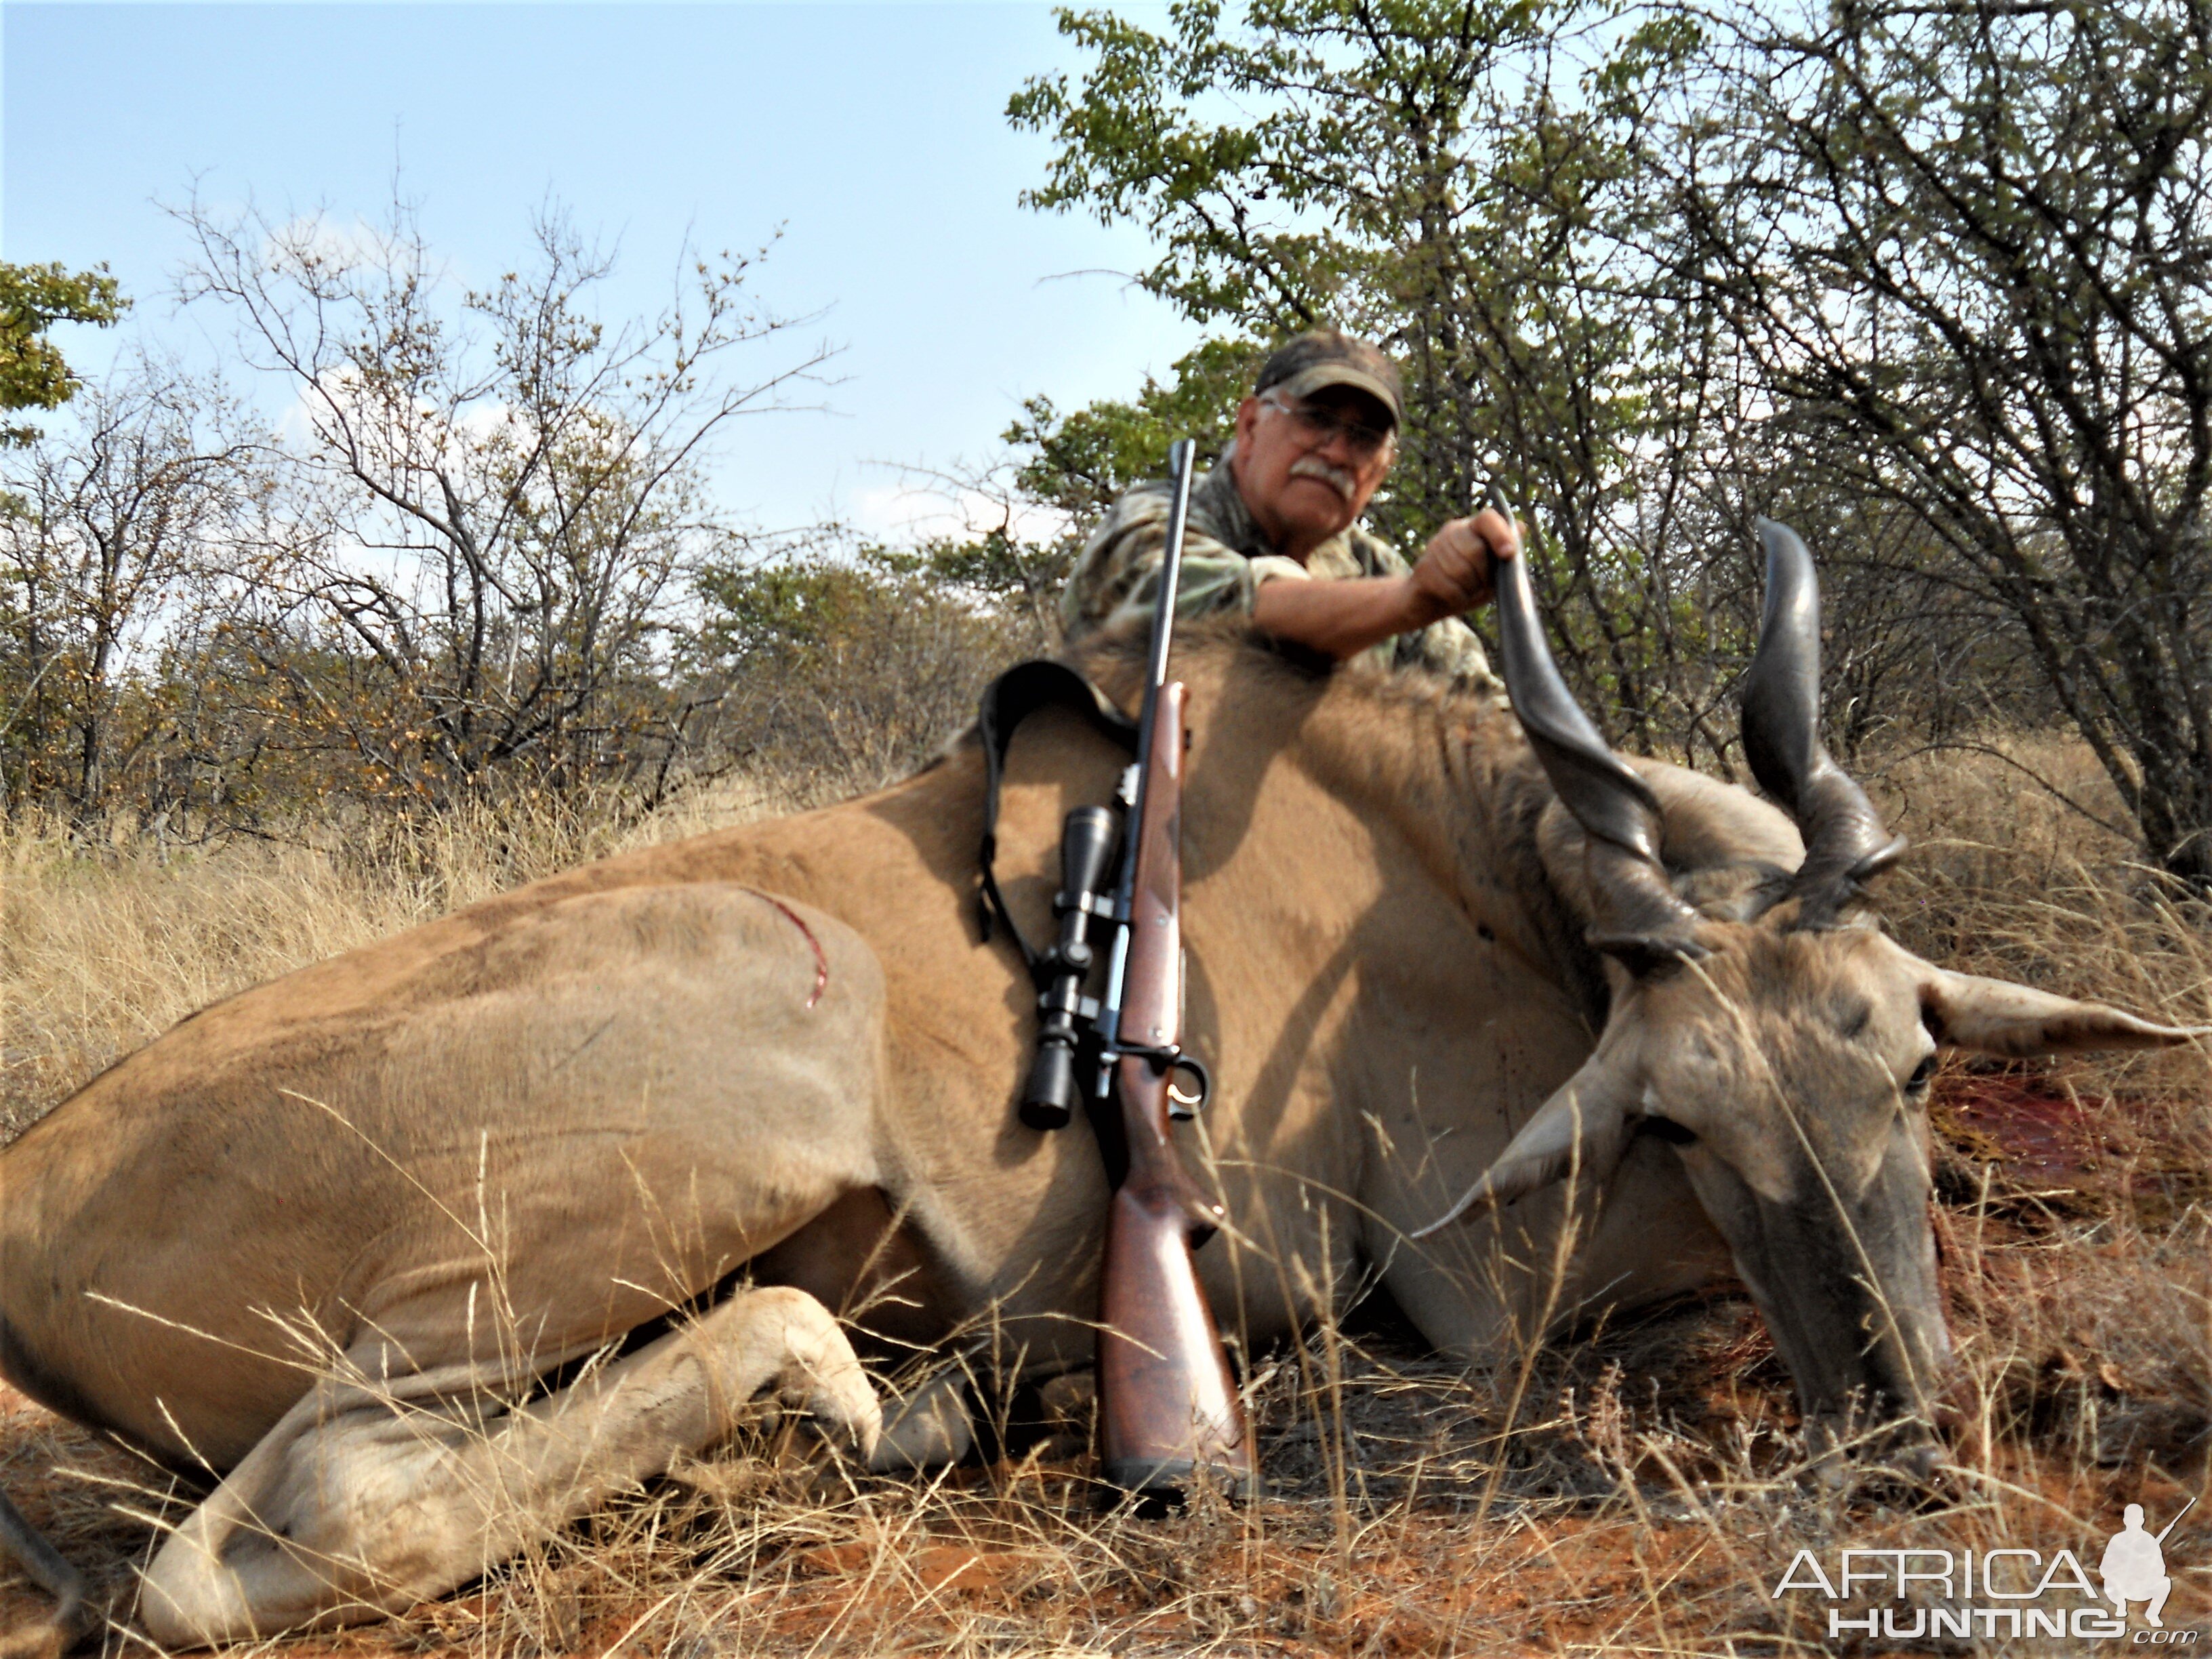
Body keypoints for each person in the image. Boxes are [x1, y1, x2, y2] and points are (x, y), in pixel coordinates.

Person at [1059, 330, 1517, 692]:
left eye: (1364, 438)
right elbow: (1212, 610)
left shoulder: (1375, 568)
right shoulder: (1162, 515)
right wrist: (1414, 600)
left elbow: (1484, 716)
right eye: (1316, 419)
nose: (1338, 452)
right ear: (1250, 424)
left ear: (1382, 470)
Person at [2100, 1504, 2173, 1626]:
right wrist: (2122, 1570)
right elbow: (2105, 1568)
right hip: (2121, 1587)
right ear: (2125, 1520)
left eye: (2137, 1519)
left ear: (2142, 1520)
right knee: (2109, 1581)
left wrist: (2146, 1568)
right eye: (2130, 1519)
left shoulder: (2150, 1540)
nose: (2134, 1523)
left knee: (2165, 1583)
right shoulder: (2117, 1540)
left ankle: (2153, 1614)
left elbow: (2161, 1568)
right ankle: (2120, 1605)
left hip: (2143, 1586)